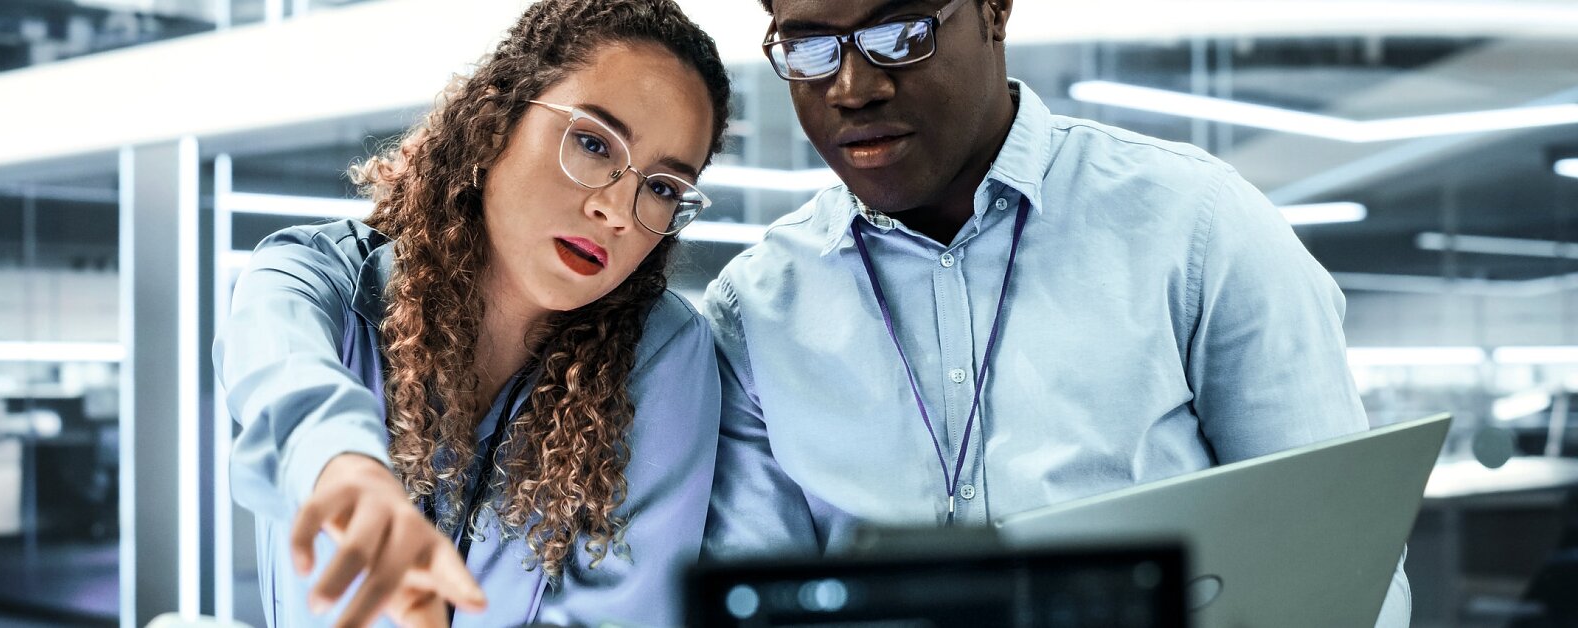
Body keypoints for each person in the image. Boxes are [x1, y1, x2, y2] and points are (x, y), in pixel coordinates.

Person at [701, 0, 1409, 624]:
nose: (852, 89)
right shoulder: (759, 306)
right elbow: (749, 600)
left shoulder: (1196, 228)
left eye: (899, 32)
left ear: (995, 10)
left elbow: (1343, 561)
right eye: (808, 48)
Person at [217, 1, 731, 625]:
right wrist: (347, 471)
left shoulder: (664, 352)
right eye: (594, 143)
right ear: (499, 120)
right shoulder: (314, 277)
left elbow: (627, 611)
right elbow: (285, 385)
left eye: (662, 187)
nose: (619, 211)